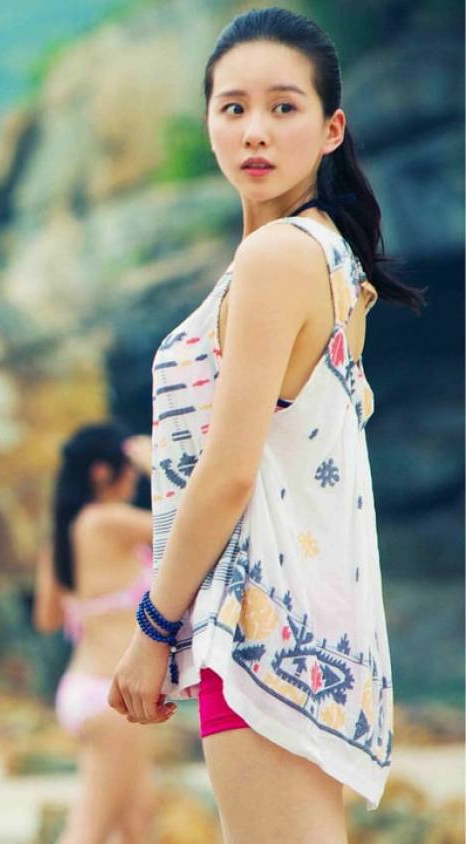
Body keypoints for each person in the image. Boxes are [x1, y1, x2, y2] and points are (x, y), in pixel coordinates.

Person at [107, 8, 421, 841]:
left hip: (261, 629)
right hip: (317, 631)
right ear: (208, 120)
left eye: (284, 107)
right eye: (234, 107)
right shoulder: (330, 258)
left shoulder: (278, 255)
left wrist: (152, 628)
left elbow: (230, 470)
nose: (256, 130)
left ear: (331, 129)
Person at [34, 424, 156, 843]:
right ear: (103, 472)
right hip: (110, 696)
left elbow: (48, 619)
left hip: (86, 686)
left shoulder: (62, 538)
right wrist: (158, 465)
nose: (134, 476)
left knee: (137, 820)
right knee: (89, 831)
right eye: (130, 467)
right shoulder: (108, 520)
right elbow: (189, 523)